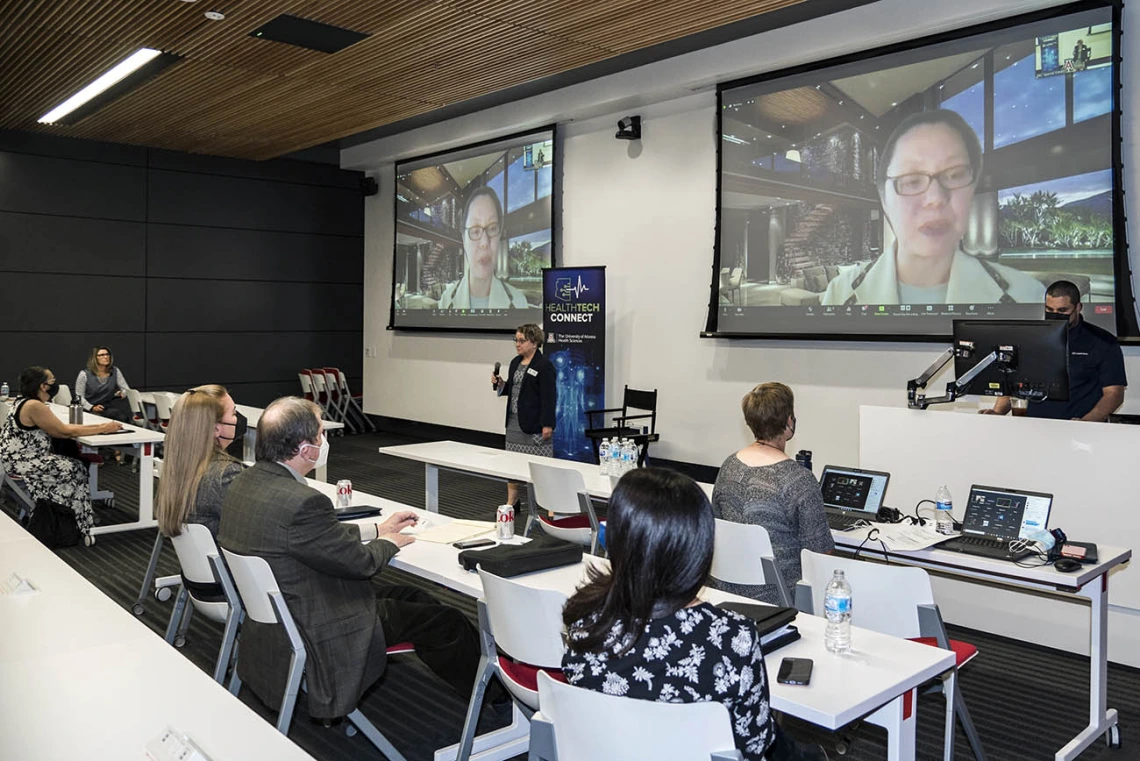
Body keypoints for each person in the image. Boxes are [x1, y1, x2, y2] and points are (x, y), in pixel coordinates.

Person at [217, 397, 488, 722]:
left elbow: (315, 541)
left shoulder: (246, 482)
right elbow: (361, 564)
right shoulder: (303, 503)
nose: (325, 440)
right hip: (319, 620)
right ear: (307, 451)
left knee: (414, 597)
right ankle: (494, 696)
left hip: (284, 609)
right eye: (321, 434)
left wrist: (377, 529)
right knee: (446, 622)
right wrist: (390, 542)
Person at [562, 468, 822, 761]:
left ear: (620, 539)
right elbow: (755, 743)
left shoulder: (585, 621)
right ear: (699, 548)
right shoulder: (734, 637)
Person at [822, 109, 1043, 306]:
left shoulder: (1028, 296)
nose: (935, 198)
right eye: (911, 180)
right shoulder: (839, 295)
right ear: (884, 199)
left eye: (955, 175)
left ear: (972, 189)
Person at [711, 383, 833, 605]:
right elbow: (820, 557)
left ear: (750, 422)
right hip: (781, 598)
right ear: (789, 422)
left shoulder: (729, 466)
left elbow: (717, 524)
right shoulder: (799, 480)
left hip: (726, 591)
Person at [0, 366, 121, 542]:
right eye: (52, 382)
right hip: (23, 463)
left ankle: (68, 512)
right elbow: (63, 432)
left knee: (68, 462)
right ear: (42, 386)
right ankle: (81, 523)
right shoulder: (34, 406)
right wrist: (103, 428)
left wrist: (102, 429)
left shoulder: (21, 401)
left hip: (15, 460)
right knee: (76, 468)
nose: (54, 385)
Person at [981, 280, 1126, 421]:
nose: (1055, 315)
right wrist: (997, 412)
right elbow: (1013, 384)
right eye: (1049, 310)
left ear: (1078, 308)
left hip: (1078, 430)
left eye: (1062, 310)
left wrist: (1087, 421)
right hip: (1031, 428)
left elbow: (1113, 394)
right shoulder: (1030, 338)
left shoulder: (1103, 342)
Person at [155, 384, 246, 540]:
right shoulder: (225, 475)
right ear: (216, 429)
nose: (238, 418)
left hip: (198, 563)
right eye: (234, 413)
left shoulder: (177, 466)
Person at [491, 323, 556, 507]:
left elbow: (549, 397)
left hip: (534, 423)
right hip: (514, 422)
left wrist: (547, 424)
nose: (517, 344)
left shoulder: (544, 365)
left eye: (521, 340)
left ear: (534, 342)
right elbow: (514, 388)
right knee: (512, 464)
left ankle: (549, 503)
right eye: (516, 340)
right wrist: (502, 383)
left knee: (540, 467)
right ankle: (513, 500)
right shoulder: (515, 362)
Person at [438, 187, 529, 309]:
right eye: (475, 231)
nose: (484, 242)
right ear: (464, 240)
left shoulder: (519, 303)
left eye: (492, 229)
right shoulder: (446, 301)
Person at [75, 346, 131, 423]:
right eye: (102, 355)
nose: (106, 357)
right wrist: (91, 407)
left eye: (107, 354)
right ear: (94, 358)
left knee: (123, 418)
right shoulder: (84, 374)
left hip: (105, 407)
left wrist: (122, 394)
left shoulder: (115, 371)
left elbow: (126, 389)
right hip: (87, 407)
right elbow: (79, 396)